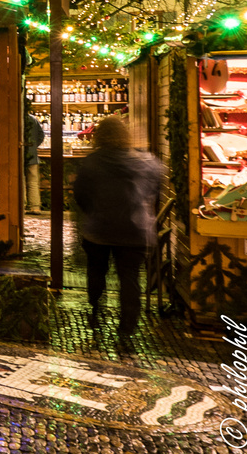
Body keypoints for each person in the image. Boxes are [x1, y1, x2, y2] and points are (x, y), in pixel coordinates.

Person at [72, 113, 163, 346]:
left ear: (99, 136)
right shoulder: (144, 161)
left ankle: (94, 308)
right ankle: (128, 327)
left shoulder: (92, 162)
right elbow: (156, 186)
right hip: (135, 230)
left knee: (96, 272)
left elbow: (80, 195)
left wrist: (92, 211)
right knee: (130, 278)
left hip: (99, 229)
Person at [24, 100, 45, 214]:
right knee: (33, 181)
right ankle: (35, 206)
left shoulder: (16, 119)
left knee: (20, 180)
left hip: (19, 155)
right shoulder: (33, 119)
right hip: (32, 155)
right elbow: (41, 135)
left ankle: (22, 205)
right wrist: (33, 146)